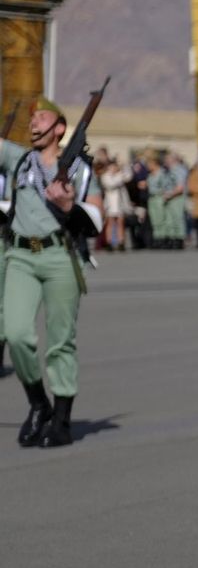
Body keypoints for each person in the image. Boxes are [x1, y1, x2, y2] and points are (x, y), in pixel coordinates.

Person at [1, 97, 104, 446]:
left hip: (61, 257)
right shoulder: (19, 160)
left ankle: (61, 418)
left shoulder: (80, 168)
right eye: (31, 120)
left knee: (60, 342)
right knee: (15, 333)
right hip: (20, 256)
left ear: (59, 127)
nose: (33, 124)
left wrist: (68, 206)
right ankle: (37, 403)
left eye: (41, 118)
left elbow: (97, 220)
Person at [146, 151, 187, 250]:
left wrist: (170, 194)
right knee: (169, 220)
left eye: (168, 159)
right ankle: (171, 239)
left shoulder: (179, 170)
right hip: (170, 197)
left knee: (177, 219)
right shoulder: (169, 171)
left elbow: (180, 187)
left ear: (174, 160)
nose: (166, 161)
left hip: (176, 198)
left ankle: (178, 240)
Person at [96, 151, 130, 252]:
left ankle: (121, 242)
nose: (114, 168)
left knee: (120, 223)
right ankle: (109, 242)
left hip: (120, 203)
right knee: (110, 223)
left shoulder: (119, 175)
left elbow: (129, 176)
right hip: (110, 204)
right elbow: (111, 184)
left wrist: (124, 165)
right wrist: (119, 175)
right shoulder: (105, 176)